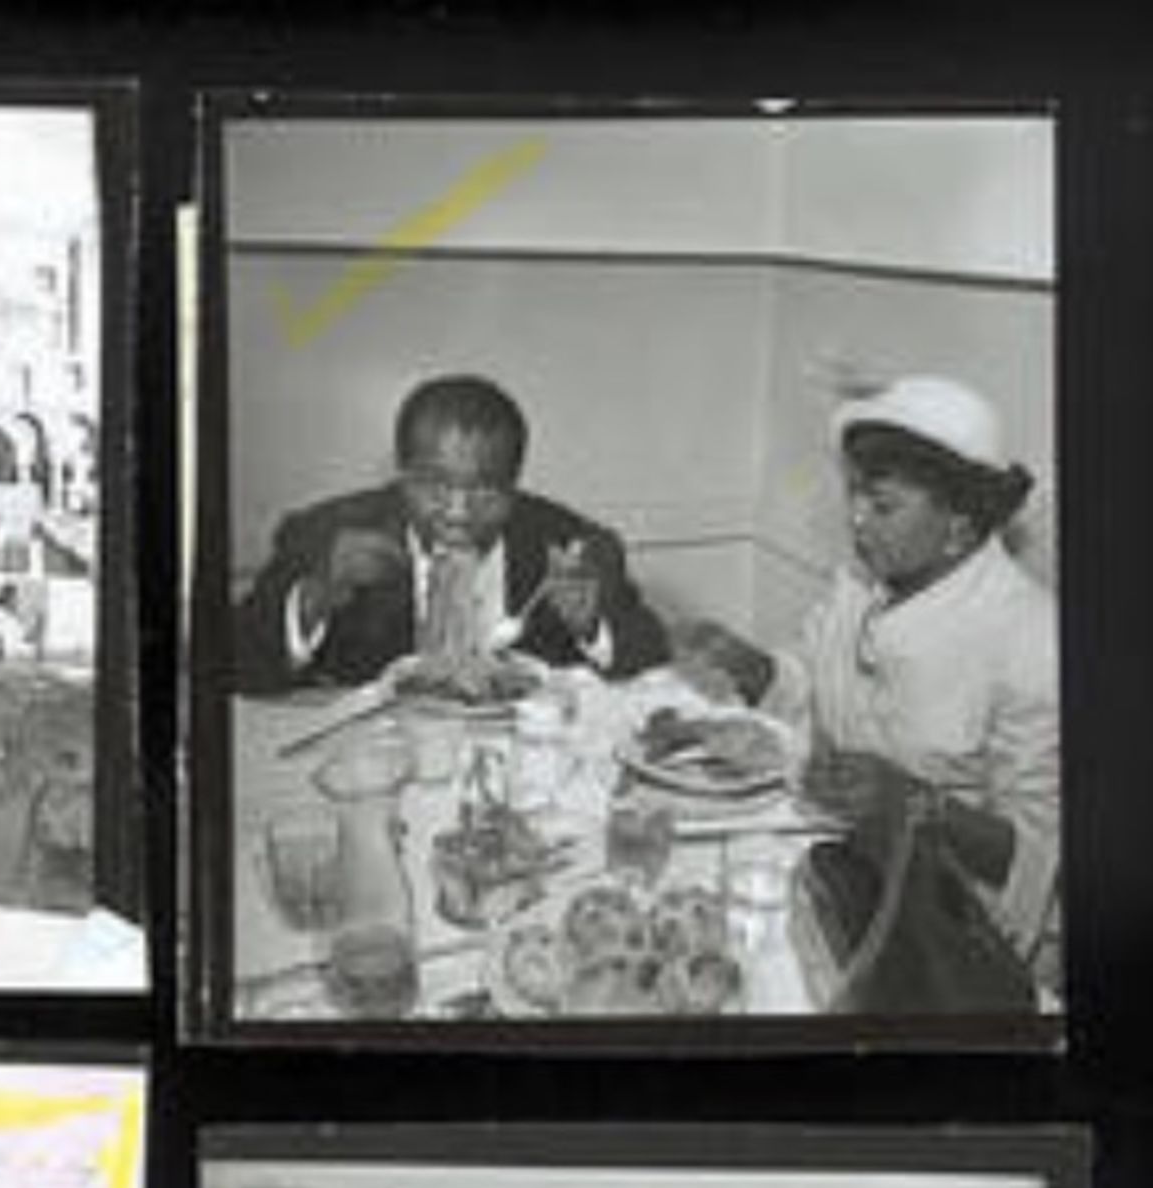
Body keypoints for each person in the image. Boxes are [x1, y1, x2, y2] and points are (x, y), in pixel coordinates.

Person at [680, 375, 1059, 987]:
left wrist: (916, 804)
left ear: (961, 524)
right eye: (854, 494)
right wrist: (754, 668)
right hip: (837, 869)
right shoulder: (862, 581)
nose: (856, 520)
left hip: (950, 936)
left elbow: (1042, 862)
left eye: (882, 505)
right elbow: (806, 681)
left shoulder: (1032, 640)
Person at [233, 374, 669, 694]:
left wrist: (593, 625)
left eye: (485, 488)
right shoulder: (324, 534)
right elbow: (232, 665)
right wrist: (316, 596)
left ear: (514, 485)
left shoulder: (570, 544)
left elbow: (653, 660)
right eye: (434, 484)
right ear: (402, 476)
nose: (458, 512)